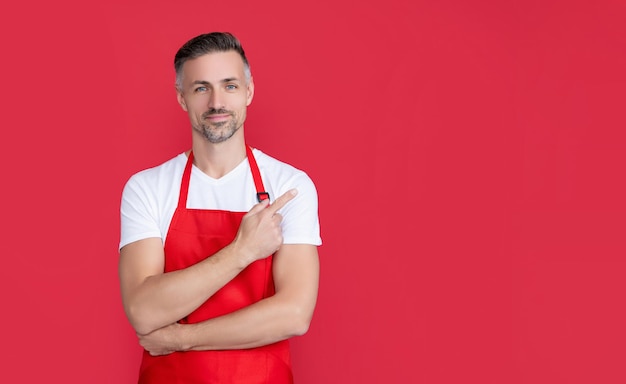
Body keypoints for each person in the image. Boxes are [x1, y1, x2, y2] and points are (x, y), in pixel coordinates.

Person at [118, 32, 321, 383]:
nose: (216, 102)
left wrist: (182, 338)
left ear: (249, 92)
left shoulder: (289, 186)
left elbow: (294, 314)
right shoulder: (147, 188)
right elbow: (143, 310)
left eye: (229, 85)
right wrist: (243, 251)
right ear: (182, 98)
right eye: (201, 88)